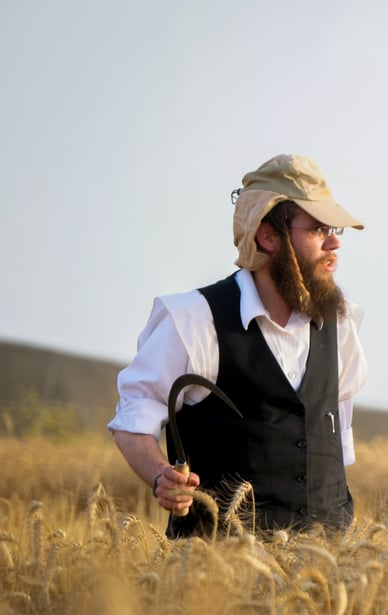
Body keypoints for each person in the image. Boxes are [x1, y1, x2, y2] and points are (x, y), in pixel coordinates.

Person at [108, 154, 368, 538]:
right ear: (268, 236)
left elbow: (335, 443)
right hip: (218, 581)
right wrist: (161, 475)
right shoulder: (193, 319)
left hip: (324, 582)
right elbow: (134, 419)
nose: (334, 243)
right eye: (317, 229)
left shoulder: (339, 325)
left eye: (335, 230)